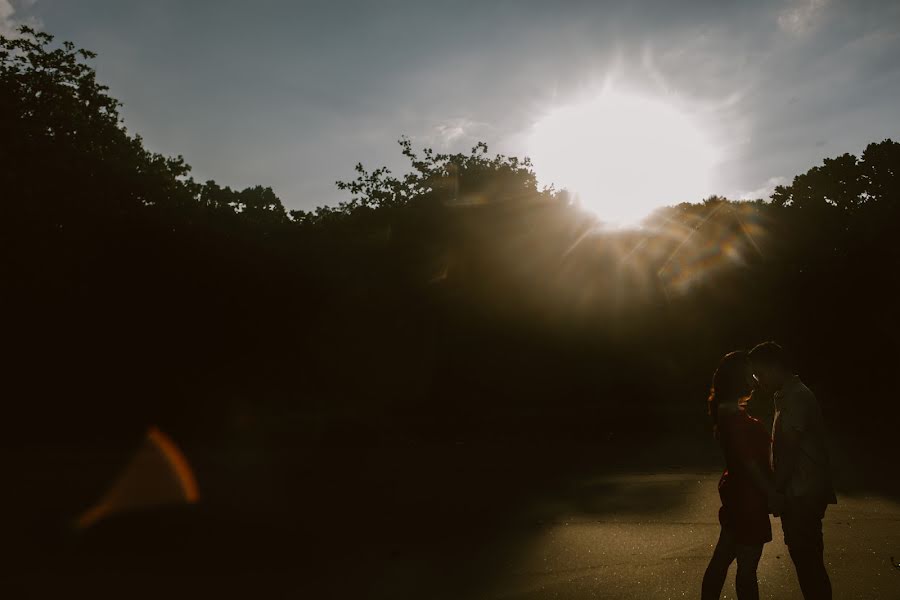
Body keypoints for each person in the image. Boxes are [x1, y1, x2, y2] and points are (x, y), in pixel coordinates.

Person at [749, 341, 837, 600]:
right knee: (806, 560)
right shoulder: (786, 395)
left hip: (803, 492)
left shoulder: (796, 396)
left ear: (775, 367)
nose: (758, 381)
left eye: (759, 374)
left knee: (808, 561)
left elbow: (788, 450)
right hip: (801, 490)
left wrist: (776, 490)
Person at [701, 351, 778, 600]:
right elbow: (750, 465)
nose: (753, 377)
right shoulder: (733, 418)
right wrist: (773, 494)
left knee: (722, 562)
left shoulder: (728, 412)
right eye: (749, 372)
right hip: (749, 501)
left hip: (739, 496)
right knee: (746, 571)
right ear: (738, 377)